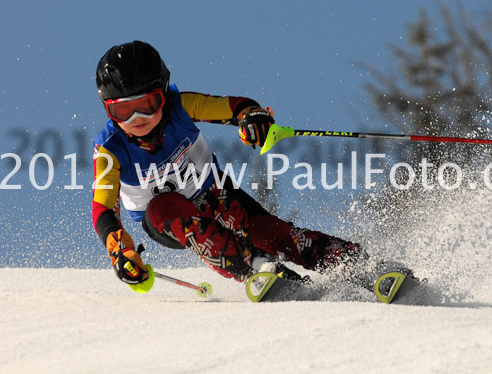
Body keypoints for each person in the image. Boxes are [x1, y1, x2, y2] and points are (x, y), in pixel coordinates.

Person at [92, 40, 361, 287]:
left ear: (163, 94)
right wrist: (121, 252)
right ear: (108, 109)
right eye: (122, 111)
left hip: (216, 195)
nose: (137, 118)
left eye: (148, 104)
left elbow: (235, 107)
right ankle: (256, 268)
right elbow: (103, 210)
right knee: (163, 206)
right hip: (167, 221)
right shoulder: (110, 149)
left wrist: (252, 118)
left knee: (272, 234)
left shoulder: (180, 107)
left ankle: (357, 263)